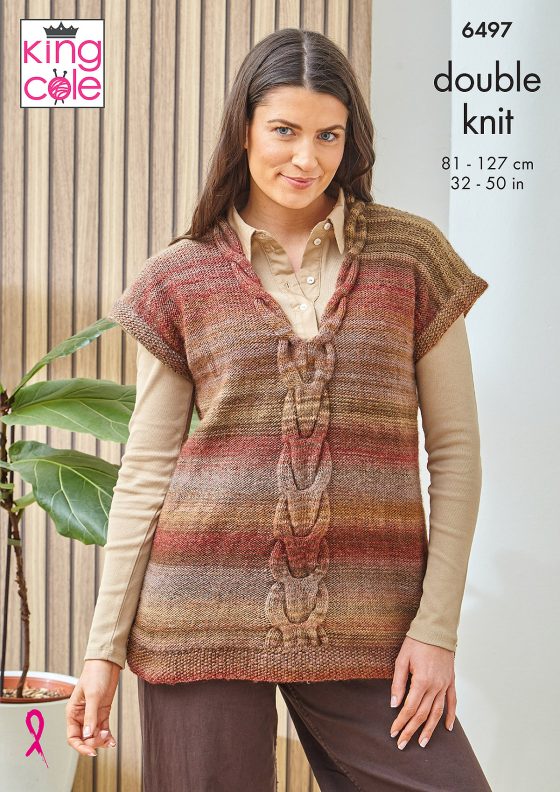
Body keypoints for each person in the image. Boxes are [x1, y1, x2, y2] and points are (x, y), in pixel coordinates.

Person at [66, 28, 492, 791]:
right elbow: (147, 470)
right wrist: (103, 650)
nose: (307, 158)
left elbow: (456, 454)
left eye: (329, 135)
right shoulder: (178, 278)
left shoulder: (412, 257)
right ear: (245, 130)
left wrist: (436, 630)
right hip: (196, 613)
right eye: (285, 131)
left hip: (374, 620)